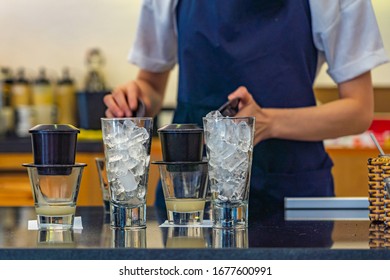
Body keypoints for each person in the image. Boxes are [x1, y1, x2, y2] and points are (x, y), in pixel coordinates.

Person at [104, 0, 389, 211]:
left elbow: (358, 110)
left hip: (293, 190)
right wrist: (135, 99)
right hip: (189, 194)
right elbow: (151, 86)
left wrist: (269, 122)